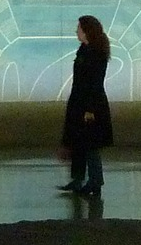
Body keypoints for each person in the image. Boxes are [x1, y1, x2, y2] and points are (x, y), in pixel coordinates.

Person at [57, 15, 114, 198]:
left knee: (90, 144)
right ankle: (78, 179)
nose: (77, 31)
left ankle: (95, 181)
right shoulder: (84, 50)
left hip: (91, 104)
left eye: (79, 28)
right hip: (79, 102)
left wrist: (90, 109)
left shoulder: (96, 53)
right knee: (78, 142)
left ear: (87, 31)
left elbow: (94, 83)